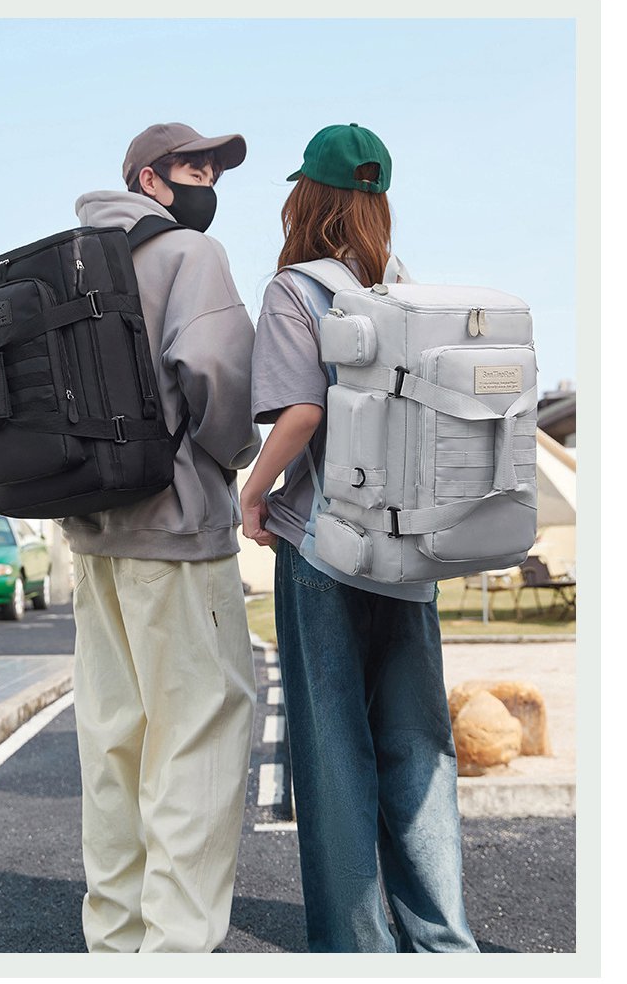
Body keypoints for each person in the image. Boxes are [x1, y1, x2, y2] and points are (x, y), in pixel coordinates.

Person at [240, 123, 479, 954]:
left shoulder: (294, 292)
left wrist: (254, 493)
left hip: (325, 553)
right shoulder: (410, 293)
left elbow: (302, 413)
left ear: (304, 198)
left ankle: (357, 952)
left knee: (334, 752)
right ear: (378, 203)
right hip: (410, 557)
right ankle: (444, 945)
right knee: (419, 749)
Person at [63, 122, 260, 954]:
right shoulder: (190, 255)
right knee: (197, 739)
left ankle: (115, 944)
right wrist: (235, 457)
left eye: (214, 166)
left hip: (93, 536)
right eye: (192, 164)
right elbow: (219, 381)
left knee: (115, 743)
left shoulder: (72, 258)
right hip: (176, 531)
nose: (207, 175)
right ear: (148, 178)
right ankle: (176, 955)